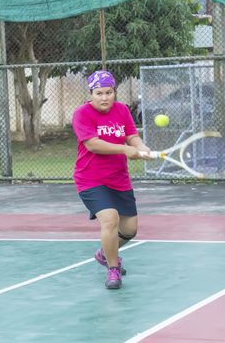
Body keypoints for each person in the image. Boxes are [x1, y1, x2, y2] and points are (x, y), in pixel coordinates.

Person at [71, 70, 151, 290]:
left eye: (109, 92)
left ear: (115, 92)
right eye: (99, 93)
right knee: (110, 218)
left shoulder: (122, 110)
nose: (104, 97)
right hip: (90, 179)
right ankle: (113, 269)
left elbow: (132, 136)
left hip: (119, 179)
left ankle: (105, 253)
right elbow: (93, 144)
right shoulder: (82, 114)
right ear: (91, 94)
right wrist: (125, 149)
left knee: (130, 230)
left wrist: (141, 148)